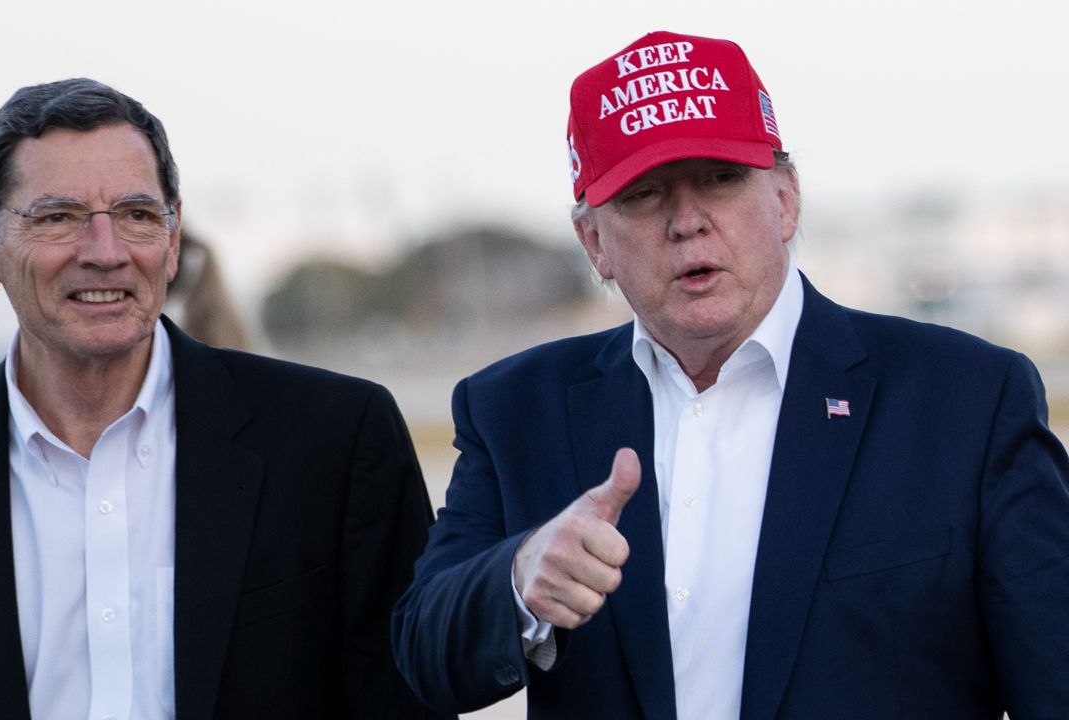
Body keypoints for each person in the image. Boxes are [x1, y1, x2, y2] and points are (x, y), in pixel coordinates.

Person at [392, 30, 1069, 719]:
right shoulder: (514, 409)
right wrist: (519, 579)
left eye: (721, 178)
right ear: (594, 242)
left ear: (785, 199)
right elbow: (422, 653)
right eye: (644, 194)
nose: (688, 221)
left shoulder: (966, 401)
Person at [0, 78, 449, 719]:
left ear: (173, 240)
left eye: (138, 216)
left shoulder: (336, 444)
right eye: (57, 217)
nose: (106, 253)